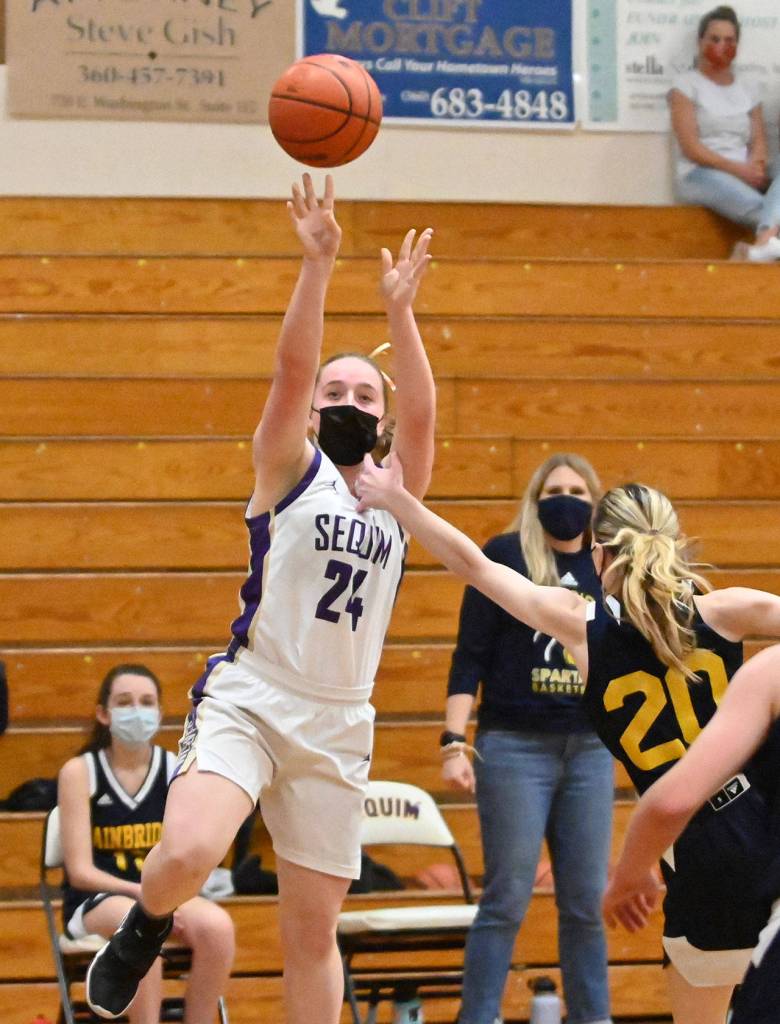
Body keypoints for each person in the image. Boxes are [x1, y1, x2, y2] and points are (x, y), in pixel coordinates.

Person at [85, 174, 437, 1024]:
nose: (348, 401)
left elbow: (424, 411)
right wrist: (318, 266)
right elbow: (290, 369)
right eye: (335, 393)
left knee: (312, 936)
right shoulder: (290, 467)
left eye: (366, 394)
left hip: (339, 719)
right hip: (255, 693)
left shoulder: (398, 491)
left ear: (382, 418)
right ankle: (144, 924)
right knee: (189, 852)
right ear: (311, 414)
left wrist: (400, 313)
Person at [354, 461, 780, 1024]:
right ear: (672, 542)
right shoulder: (729, 610)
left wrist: (397, 500)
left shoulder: (581, 624)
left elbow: (474, 565)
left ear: (598, 554)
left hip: (688, 840)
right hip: (759, 816)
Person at [442, 453, 613, 1024]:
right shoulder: (506, 555)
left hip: (590, 749)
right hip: (514, 747)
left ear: (596, 503)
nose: (567, 500)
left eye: (578, 492)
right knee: (507, 897)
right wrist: (453, 740)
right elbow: (470, 654)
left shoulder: (607, 564)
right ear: (535, 500)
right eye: (554, 490)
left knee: (585, 903)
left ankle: (593, 1017)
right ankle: (478, 1016)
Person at [603, 644, 780, 1024]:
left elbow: (672, 802)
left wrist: (629, 874)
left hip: (718, 849)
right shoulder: (738, 622)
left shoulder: (770, 670)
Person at [58, 664, 235, 1024]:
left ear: (159, 712)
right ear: (103, 714)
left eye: (146, 702)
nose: (136, 710)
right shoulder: (79, 772)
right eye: (125, 702)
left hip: (163, 895)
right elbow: (79, 872)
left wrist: (165, 898)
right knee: (139, 932)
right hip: (99, 900)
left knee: (218, 928)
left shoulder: (177, 768)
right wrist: (144, 895)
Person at [668, 5, 780, 262]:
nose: (721, 46)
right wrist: (738, 170)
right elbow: (691, 148)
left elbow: (759, 139)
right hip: (699, 174)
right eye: (714, 39)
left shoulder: (748, 88)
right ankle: (765, 241)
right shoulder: (685, 85)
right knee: (764, 209)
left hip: (744, 173)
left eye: (729, 40)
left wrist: (756, 165)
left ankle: (756, 248)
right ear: (700, 42)